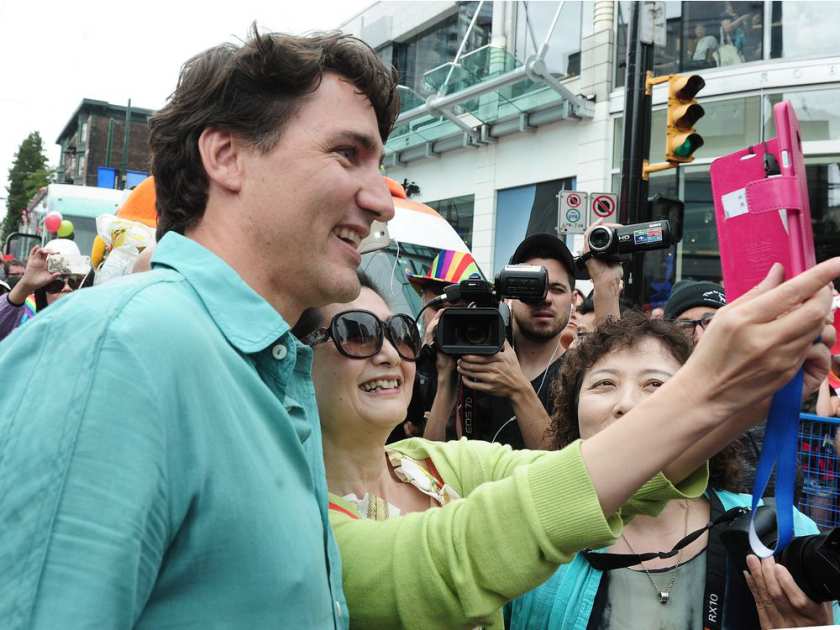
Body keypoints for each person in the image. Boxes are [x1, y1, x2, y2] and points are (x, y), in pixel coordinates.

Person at [0, 28, 398, 628]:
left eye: (379, 163)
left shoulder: (267, 367)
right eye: (348, 153)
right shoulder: (119, 350)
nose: (382, 200)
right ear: (226, 157)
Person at [296, 261, 839, 629]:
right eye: (358, 331)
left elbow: (594, 485)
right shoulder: (297, 521)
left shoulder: (439, 466)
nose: (390, 353)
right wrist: (709, 388)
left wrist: (746, 401)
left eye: (400, 331)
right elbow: (457, 552)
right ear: (298, 356)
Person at [507, 313, 837, 630]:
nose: (627, 404)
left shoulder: (783, 532)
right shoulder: (528, 536)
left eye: (654, 384)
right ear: (572, 410)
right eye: (604, 383)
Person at [424, 232, 621, 449]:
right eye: (531, 286)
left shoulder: (579, 374)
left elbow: (562, 470)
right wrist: (446, 381)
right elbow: (429, 462)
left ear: (573, 299)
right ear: (508, 295)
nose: (545, 298)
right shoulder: (474, 359)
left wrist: (517, 389)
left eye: (557, 289)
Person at [0, 239, 87, 342]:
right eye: (56, 283)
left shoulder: (89, 323)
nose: (67, 288)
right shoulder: (24, 314)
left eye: (74, 281)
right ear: (41, 288)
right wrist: (24, 286)